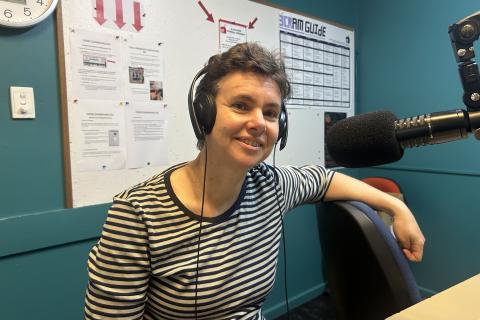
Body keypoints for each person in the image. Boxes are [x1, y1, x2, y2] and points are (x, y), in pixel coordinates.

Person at [84, 42, 425, 320]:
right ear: (204, 113)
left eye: (271, 113)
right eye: (241, 105)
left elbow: (323, 180)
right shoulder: (137, 214)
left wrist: (395, 207)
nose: (259, 123)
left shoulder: (271, 185)